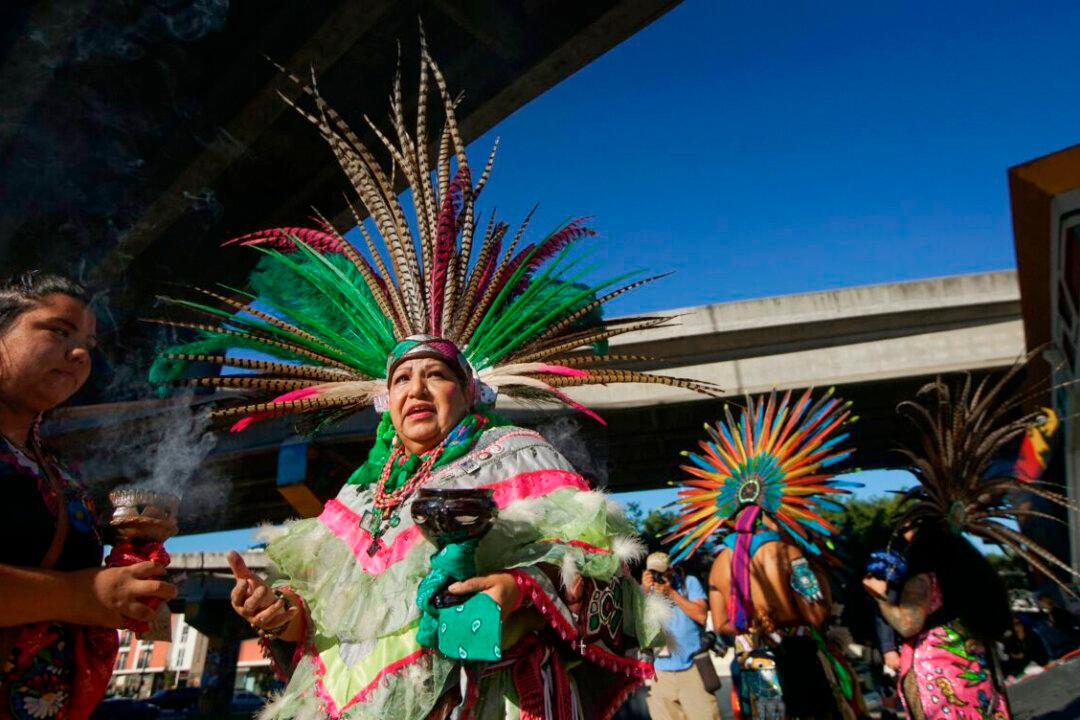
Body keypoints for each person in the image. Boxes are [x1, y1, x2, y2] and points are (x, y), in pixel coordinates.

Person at [150, 37, 718, 720]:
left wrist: (515, 591)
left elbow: (607, 584)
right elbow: (331, 630)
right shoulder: (361, 493)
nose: (416, 389)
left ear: (469, 391)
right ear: (384, 400)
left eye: (435, 376)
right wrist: (278, 614)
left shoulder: (514, 458)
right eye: (402, 379)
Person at [0, 272, 176, 720]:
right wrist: (82, 595)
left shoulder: (59, 471)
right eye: (58, 331)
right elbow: (79, 592)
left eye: (88, 344)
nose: (79, 353)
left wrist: (128, 579)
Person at [863, 364, 1080, 720]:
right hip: (977, 671)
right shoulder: (969, 569)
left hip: (941, 678)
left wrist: (880, 594)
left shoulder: (925, 576)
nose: (904, 535)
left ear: (922, 533)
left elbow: (907, 623)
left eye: (907, 528)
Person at [665, 389, 861, 720]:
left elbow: (724, 624)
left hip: (753, 660)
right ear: (772, 508)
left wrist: (756, 626)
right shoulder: (787, 552)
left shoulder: (719, 566)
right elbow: (815, 613)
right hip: (798, 656)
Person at [642, 552, 719, 720]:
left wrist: (671, 593)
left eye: (661, 573)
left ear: (671, 570)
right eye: (654, 573)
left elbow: (701, 615)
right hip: (660, 674)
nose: (658, 577)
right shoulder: (644, 593)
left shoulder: (688, 583)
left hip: (692, 669)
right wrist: (645, 593)